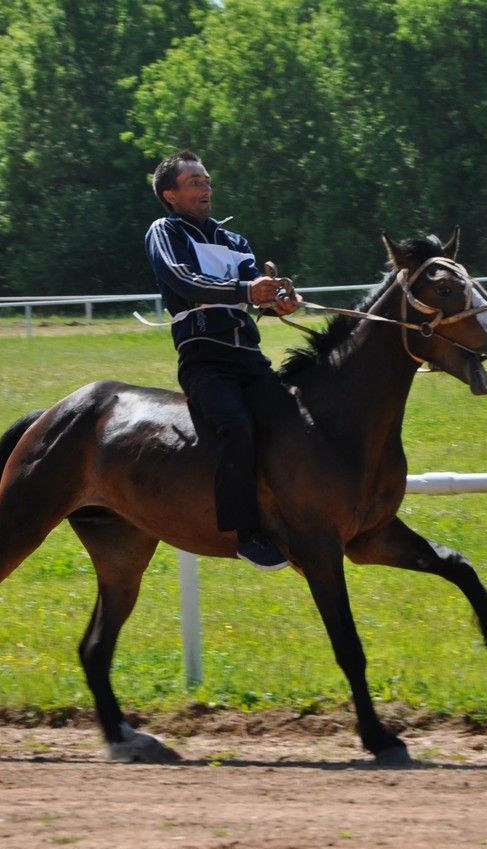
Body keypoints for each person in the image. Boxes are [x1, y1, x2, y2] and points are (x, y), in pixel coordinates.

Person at [144, 149, 302, 571]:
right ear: (170, 194)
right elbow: (182, 279)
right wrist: (249, 292)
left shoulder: (235, 241)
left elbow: (255, 290)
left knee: (296, 420)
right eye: (194, 182)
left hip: (250, 360)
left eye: (207, 180)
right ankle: (246, 533)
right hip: (204, 361)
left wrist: (279, 301)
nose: (205, 188)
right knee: (235, 425)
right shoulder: (165, 231)